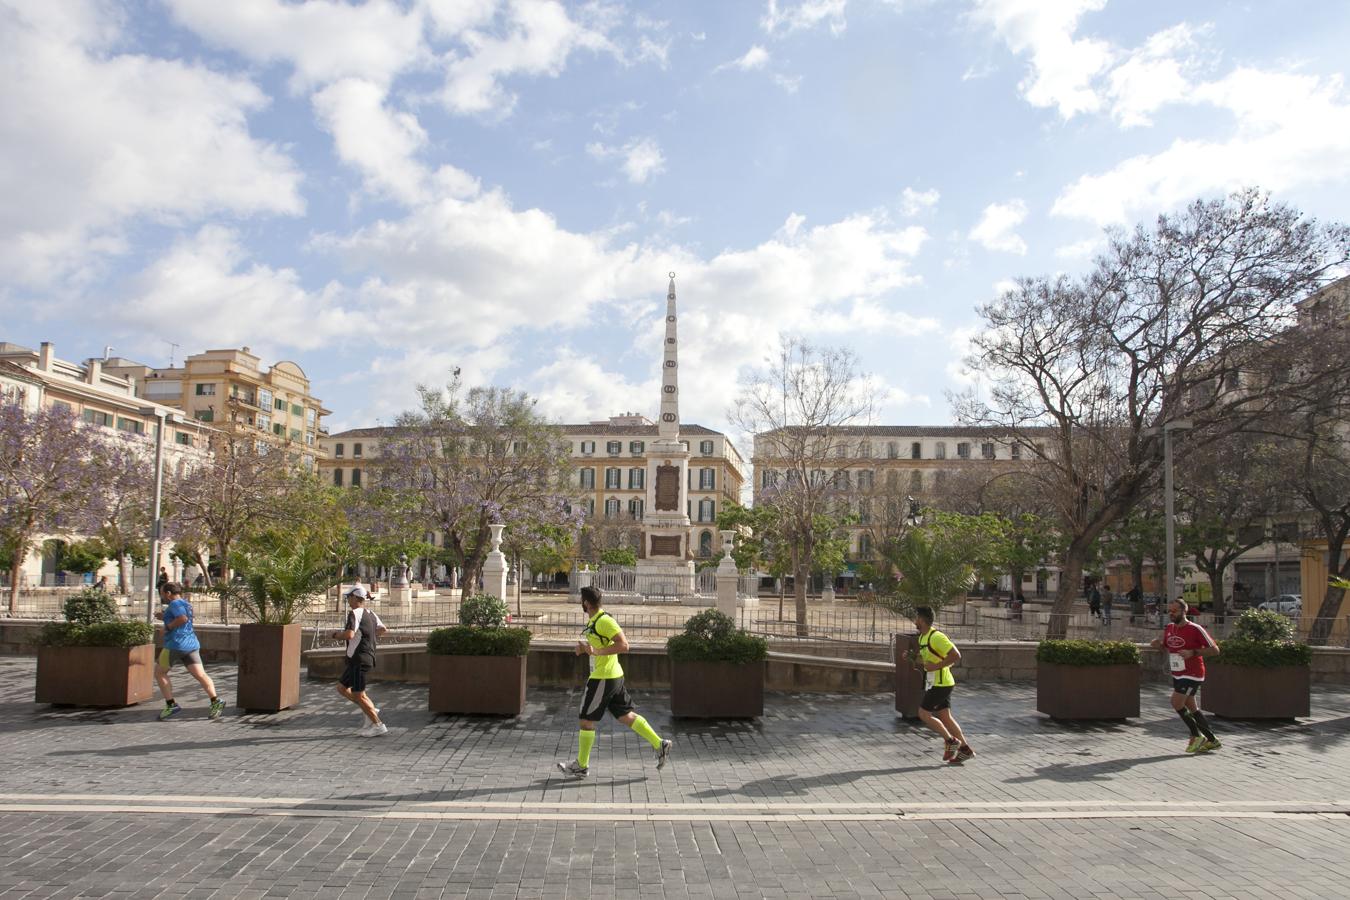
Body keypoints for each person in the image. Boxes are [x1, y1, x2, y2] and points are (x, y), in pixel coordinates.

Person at [558, 586, 672, 778]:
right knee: (625, 716)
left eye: (582, 601)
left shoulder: (604, 621)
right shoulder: (596, 620)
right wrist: (584, 650)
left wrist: (596, 652)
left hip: (603, 678)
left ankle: (581, 765)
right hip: (611, 676)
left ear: (585, 602)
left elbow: (624, 645)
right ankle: (659, 744)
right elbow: (599, 646)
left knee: (586, 721)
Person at [1150, 600, 1221, 754]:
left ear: (1184, 611)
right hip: (1178, 672)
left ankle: (1196, 735)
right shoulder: (1169, 628)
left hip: (1193, 673)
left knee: (1175, 702)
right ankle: (1212, 740)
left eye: (1174, 610)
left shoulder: (1195, 629)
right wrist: (1159, 645)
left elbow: (1215, 650)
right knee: (1192, 707)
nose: (1171, 613)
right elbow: (1169, 647)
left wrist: (1193, 652)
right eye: (1170, 611)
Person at [912, 606, 975, 764]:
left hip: (941, 684)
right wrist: (912, 658)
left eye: (916, 617)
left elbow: (956, 655)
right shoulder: (922, 638)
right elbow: (926, 661)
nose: (914, 620)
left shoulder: (937, 637)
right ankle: (965, 750)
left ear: (922, 619)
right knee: (945, 717)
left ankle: (951, 741)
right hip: (936, 682)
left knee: (923, 714)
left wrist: (937, 666)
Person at [155, 582, 224, 720]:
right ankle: (215, 701)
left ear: (168, 593)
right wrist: (164, 617)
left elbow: (182, 618)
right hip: (191, 645)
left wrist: (167, 627)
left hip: (175, 644)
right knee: (201, 675)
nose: (161, 595)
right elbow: (182, 617)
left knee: (159, 673)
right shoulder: (185, 603)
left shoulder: (174, 604)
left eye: (162, 592)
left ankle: (171, 704)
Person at [331, 586, 388, 736]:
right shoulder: (371, 614)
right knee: (342, 688)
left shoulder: (354, 613)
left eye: (349, 597)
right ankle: (369, 708)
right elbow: (383, 629)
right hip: (364, 658)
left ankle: (378, 725)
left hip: (359, 659)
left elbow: (349, 634)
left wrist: (336, 635)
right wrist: (367, 637)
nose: (347, 600)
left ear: (356, 598)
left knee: (359, 695)